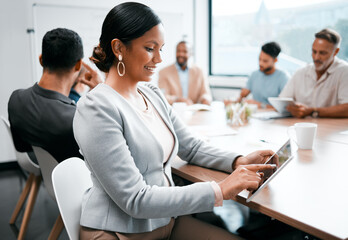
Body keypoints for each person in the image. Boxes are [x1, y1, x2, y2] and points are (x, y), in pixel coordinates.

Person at [74, 3, 276, 240]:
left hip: (165, 221)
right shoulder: (96, 108)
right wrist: (220, 189)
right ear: (119, 47)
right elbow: (135, 199)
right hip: (118, 231)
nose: (159, 59)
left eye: (161, 48)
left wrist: (238, 160)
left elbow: (191, 146)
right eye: (150, 48)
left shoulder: (152, 94)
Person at [8, 28, 102, 163]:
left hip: (47, 174)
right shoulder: (76, 119)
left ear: (41, 60)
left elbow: (22, 147)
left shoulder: (16, 98)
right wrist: (101, 89)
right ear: (78, 65)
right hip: (78, 181)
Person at [279, 28, 348, 118]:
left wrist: (312, 111)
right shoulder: (301, 72)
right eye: (314, 51)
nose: (316, 57)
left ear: (335, 51)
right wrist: (295, 109)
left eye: (322, 53)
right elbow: (282, 101)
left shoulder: (344, 71)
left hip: (332, 129)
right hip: (301, 126)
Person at [237, 42, 289, 108]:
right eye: (259, 59)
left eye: (265, 61)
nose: (260, 63)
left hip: (273, 116)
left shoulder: (283, 78)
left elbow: (285, 107)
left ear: (275, 60)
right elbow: (242, 96)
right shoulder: (254, 75)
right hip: (255, 114)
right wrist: (235, 100)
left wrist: (261, 105)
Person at [158, 41, 212, 105]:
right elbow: (162, 96)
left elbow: (206, 93)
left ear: (190, 53)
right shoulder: (164, 72)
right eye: (178, 51)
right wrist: (178, 100)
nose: (181, 54)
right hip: (174, 111)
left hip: (195, 111)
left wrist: (205, 99)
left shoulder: (199, 72)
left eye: (185, 51)